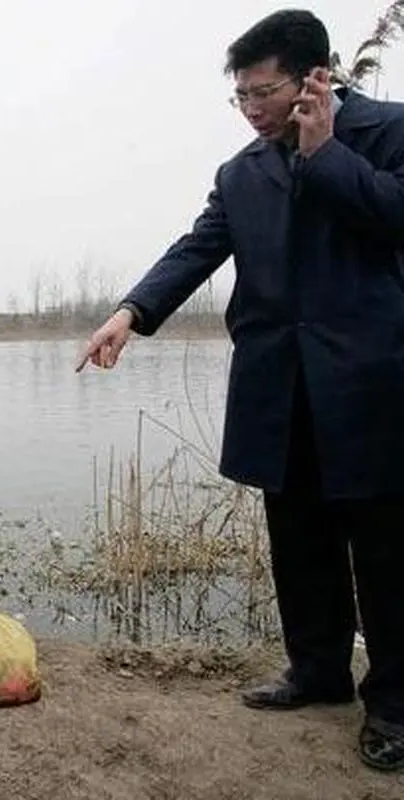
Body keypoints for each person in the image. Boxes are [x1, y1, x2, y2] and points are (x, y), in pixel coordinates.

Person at [78, 9, 404, 771]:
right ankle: (317, 670)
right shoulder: (241, 171)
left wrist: (325, 155)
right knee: (299, 539)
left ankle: (392, 704)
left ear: (316, 78)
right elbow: (197, 246)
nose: (252, 110)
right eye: (242, 97)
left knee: (386, 553)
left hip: (370, 386)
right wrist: (131, 312)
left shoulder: (387, 134)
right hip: (277, 387)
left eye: (264, 92)